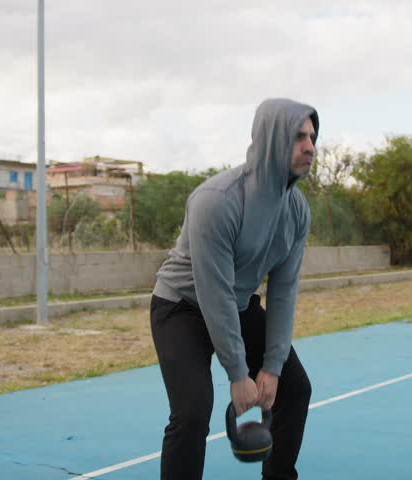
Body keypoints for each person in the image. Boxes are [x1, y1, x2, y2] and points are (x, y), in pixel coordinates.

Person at [150, 98, 318, 480]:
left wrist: (272, 367)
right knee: (192, 412)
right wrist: (239, 373)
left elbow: (283, 291)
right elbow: (214, 292)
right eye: (298, 137)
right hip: (181, 307)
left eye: (312, 136)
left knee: (295, 388)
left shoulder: (297, 210)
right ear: (272, 139)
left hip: (238, 304)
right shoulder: (216, 201)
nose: (310, 146)